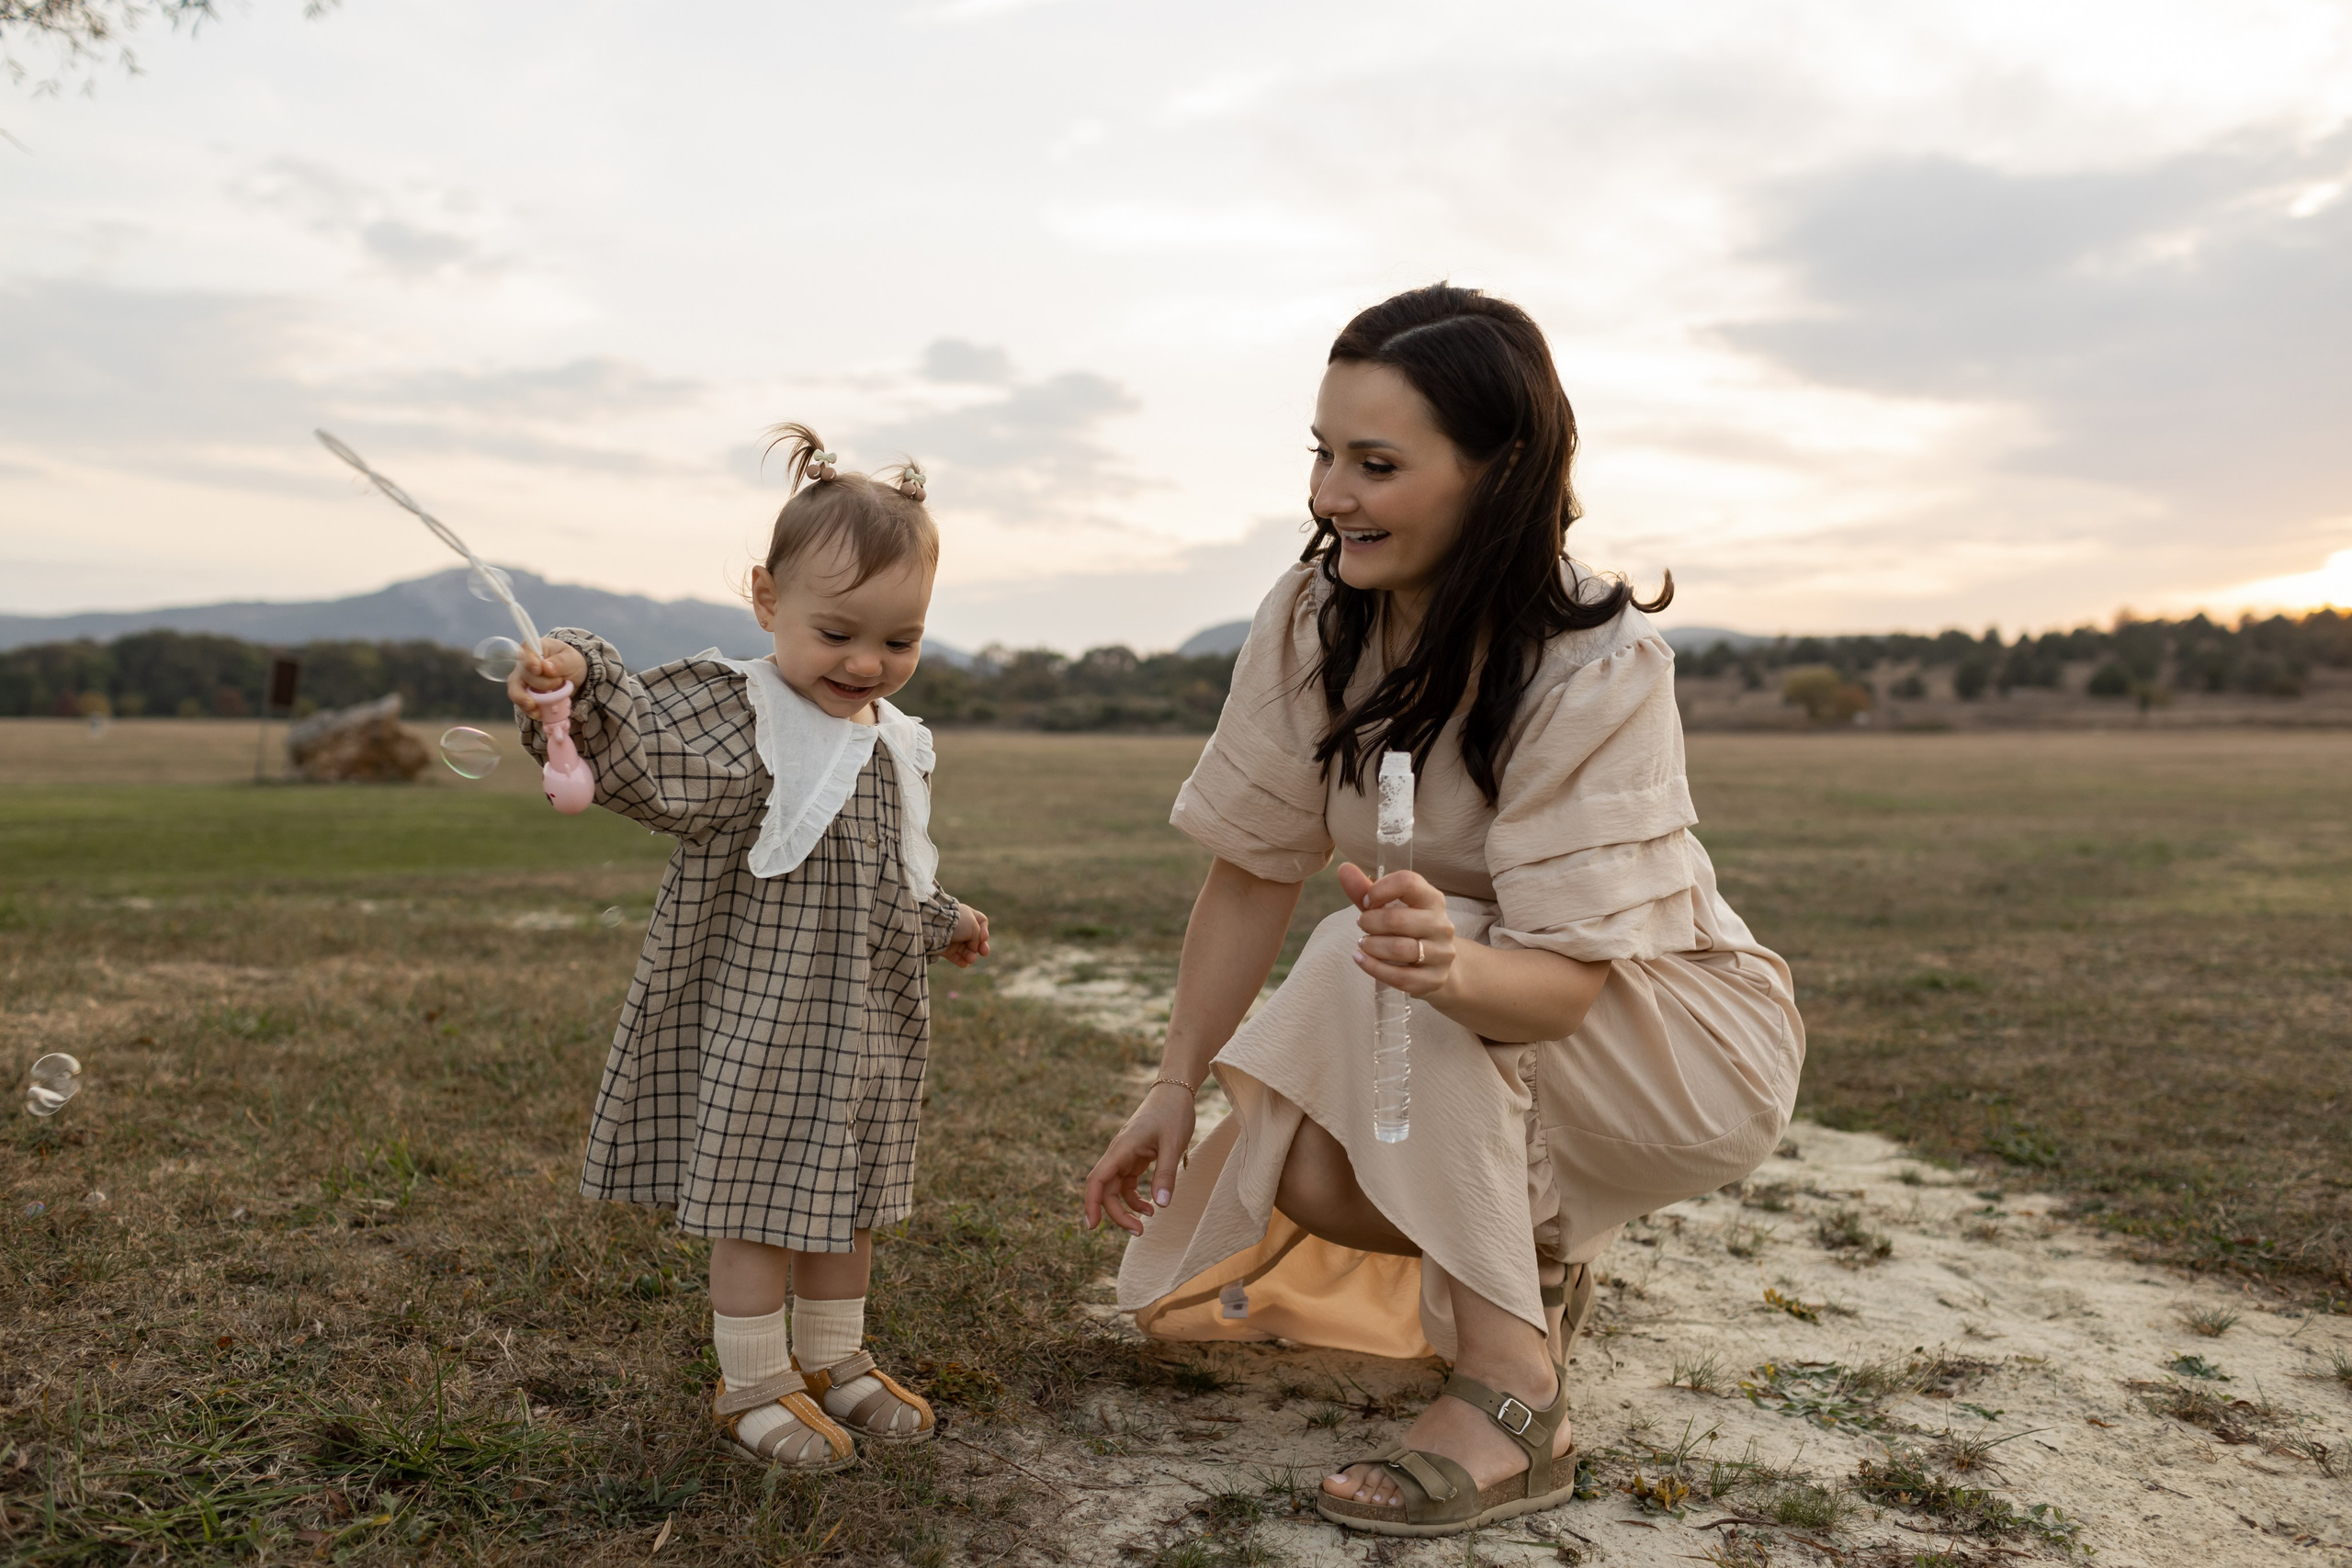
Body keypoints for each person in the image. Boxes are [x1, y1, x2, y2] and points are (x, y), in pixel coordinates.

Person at [1083, 285, 1804, 1538]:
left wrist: (1440, 965)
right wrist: (1172, 1080)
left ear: (1500, 470)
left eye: (1375, 463)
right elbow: (1255, 865)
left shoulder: (1598, 660)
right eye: (1321, 453)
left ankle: (1517, 1400)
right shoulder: (1315, 618)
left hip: (1673, 1036)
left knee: (1382, 949)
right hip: (1459, 1002)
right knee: (1300, 1156)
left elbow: (1563, 984)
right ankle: (1529, 1270)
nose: (1327, 494)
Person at [508, 426, 991, 1472]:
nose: (867, 664)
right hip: (764, 1016)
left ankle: (836, 1358)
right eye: (837, 633)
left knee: (847, 1192)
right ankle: (752, 1380)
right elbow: (637, 756)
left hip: (860, 1018)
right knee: (762, 1202)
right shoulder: (743, 715)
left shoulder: (887, 735)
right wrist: (576, 677)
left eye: (898, 640)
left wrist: (943, 917)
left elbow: (879, 871)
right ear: (769, 602)